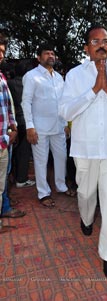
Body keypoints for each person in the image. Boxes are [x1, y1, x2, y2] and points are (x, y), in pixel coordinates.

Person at [59, 24, 107, 278]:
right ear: (86, 47)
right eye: (96, 41)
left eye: (106, 40)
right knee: (85, 192)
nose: (102, 45)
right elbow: (66, 112)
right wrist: (94, 90)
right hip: (84, 148)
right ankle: (86, 217)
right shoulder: (74, 76)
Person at [22, 43, 68, 208]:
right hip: (39, 128)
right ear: (39, 57)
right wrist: (29, 126)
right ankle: (43, 193)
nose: (50, 56)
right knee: (41, 161)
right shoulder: (31, 76)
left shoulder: (58, 77)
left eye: (52, 53)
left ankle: (61, 186)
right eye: (46, 53)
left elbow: (62, 102)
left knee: (61, 157)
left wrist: (66, 122)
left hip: (58, 126)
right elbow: (25, 102)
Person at [8, 61, 35, 188]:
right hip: (26, 121)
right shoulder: (29, 84)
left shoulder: (10, 83)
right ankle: (21, 179)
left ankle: (12, 176)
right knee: (24, 152)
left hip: (13, 122)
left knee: (13, 151)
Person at [0, 32, 18, 232]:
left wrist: (13, 128)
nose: (1, 55)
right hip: (2, 139)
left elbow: (7, 105)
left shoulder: (2, 77)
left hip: (4, 141)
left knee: (1, 184)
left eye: (3, 51)